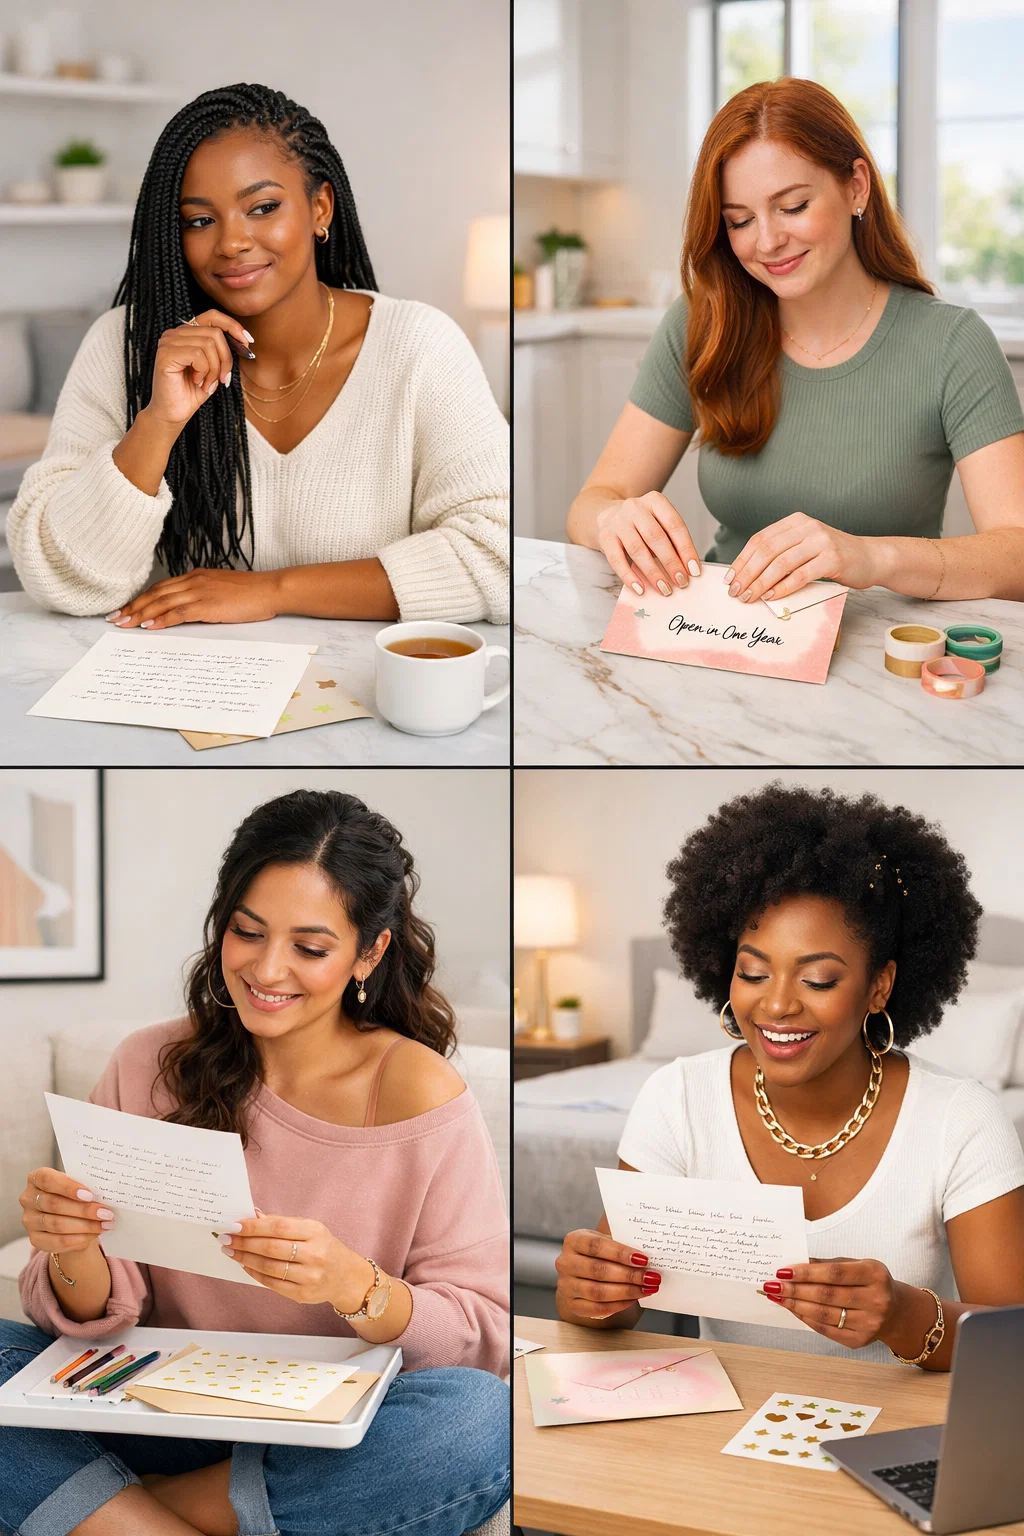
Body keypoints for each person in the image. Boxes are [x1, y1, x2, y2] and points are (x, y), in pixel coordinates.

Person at [2, 789, 509, 1536]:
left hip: (326, 1429)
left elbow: (480, 1336)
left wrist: (353, 1284)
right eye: (247, 932)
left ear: (370, 951)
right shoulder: (147, 1063)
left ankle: (105, 1515)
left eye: (310, 947)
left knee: (478, 1422)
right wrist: (74, 1247)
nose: (267, 970)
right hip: (154, 1408)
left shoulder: (418, 1091)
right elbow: (97, 1317)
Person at [555, 781, 1024, 1370]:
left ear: (879, 985)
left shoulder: (961, 1119)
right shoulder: (678, 1097)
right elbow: (611, 1311)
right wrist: (589, 1291)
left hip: (892, 1434)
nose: (776, 1007)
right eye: (753, 973)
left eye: (819, 980)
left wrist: (906, 1316)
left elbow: (1012, 1345)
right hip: (721, 1427)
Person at [7, 83, 509, 626]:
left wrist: (272, 591)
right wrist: (159, 422)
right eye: (200, 220)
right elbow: (58, 577)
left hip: (365, 692)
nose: (231, 243)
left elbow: (495, 556)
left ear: (320, 207)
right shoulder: (121, 346)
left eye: (263, 207)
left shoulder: (420, 346)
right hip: (173, 686)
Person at [567, 77, 1024, 608]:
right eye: (739, 220)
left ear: (856, 186)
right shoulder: (704, 322)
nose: (766, 241)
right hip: (729, 640)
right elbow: (592, 501)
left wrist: (872, 558)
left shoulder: (952, 344)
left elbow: (1015, 555)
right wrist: (612, 518)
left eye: (793, 206)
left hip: (881, 661)